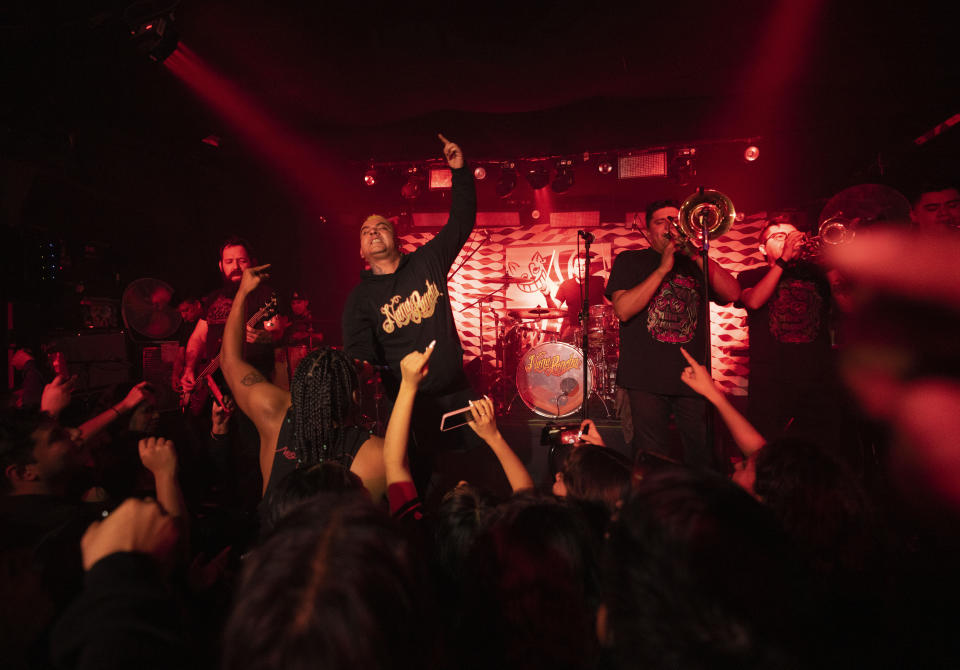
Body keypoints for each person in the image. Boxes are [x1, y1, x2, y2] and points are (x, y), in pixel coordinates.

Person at [341, 134, 478, 481]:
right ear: (360, 249)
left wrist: (460, 171)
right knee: (414, 485)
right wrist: (359, 369)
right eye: (366, 230)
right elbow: (359, 354)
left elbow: (460, 222)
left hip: (455, 392)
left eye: (381, 227)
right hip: (406, 405)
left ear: (396, 237)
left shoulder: (426, 261)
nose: (374, 232)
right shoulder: (359, 299)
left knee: (466, 484)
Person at [219, 264, 386, 502]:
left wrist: (243, 293)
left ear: (298, 388)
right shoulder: (375, 454)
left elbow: (229, 360)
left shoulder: (274, 414)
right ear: (355, 396)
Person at [606, 199, 740, 469]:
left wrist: (695, 254)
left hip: (692, 377)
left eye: (675, 220)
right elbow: (623, 310)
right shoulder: (630, 260)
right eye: (661, 221)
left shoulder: (696, 263)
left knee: (700, 454)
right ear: (648, 229)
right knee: (653, 459)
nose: (670, 226)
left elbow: (733, 293)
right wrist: (662, 269)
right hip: (645, 377)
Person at [737, 216, 843, 444]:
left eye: (794, 236)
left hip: (816, 381)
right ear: (762, 248)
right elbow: (754, 301)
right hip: (771, 384)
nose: (789, 241)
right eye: (779, 237)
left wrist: (833, 266)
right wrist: (783, 260)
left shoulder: (819, 274)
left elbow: (848, 308)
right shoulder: (750, 275)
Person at [179, 237, 282, 409]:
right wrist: (189, 368)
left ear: (252, 262)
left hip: (252, 385)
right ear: (221, 265)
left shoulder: (265, 295)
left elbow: (275, 329)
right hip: (214, 385)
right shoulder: (213, 298)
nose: (235, 267)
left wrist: (266, 335)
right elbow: (198, 338)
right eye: (229, 261)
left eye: (241, 261)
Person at [540, 253, 609, 341]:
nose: (582, 269)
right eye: (578, 266)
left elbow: (610, 305)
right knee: (564, 347)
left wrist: (609, 288)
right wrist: (547, 296)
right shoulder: (565, 285)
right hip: (574, 330)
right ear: (573, 269)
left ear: (590, 268)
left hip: (596, 329)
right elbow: (554, 310)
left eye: (585, 265)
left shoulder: (599, 281)